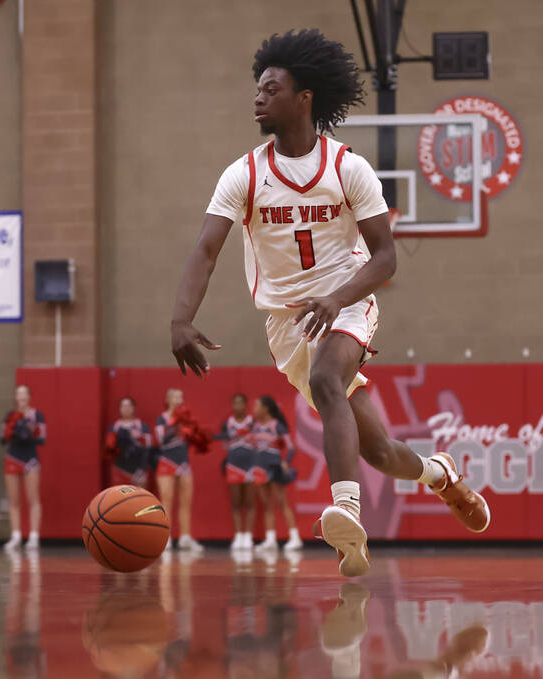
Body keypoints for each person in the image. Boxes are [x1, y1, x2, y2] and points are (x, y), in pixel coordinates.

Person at [169, 29, 490, 577]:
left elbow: (385, 258)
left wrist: (337, 297)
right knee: (380, 452)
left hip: (347, 300)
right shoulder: (242, 175)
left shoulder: (348, 168)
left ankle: (345, 513)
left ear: (304, 97)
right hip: (288, 323)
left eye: (271, 88)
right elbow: (205, 250)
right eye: (258, 88)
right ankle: (440, 474)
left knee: (325, 380)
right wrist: (180, 318)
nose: (258, 97)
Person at [250, 395, 303, 552]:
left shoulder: (277, 426)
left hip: (274, 467)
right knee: (266, 504)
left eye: (256, 405)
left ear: (265, 408)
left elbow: (291, 447)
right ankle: (270, 539)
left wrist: (285, 461)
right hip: (260, 468)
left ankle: (295, 537)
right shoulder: (255, 426)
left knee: (282, 502)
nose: (254, 409)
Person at [154, 388, 203, 553]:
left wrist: (197, 436)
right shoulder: (162, 419)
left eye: (180, 397)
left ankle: (185, 538)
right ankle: (164, 538)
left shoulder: (186, 418)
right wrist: (176, 423)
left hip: (183, 464)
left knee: (186, 502)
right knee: (166, 501)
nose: (178, 400)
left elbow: (193, 438)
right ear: (168, 399)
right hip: (167, 462)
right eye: (175, 397)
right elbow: (161, 439)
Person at [1, 385, 45, 551]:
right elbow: (3, 439)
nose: (21, 397)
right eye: (18, 394)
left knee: (32, 497)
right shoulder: (10, 415)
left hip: (30, 459)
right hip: (13, 457)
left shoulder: (37, 415)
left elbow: (42, 438)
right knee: (13, 499)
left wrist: (28, 434)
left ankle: (34, 536)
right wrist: (11, 432)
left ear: (29, 396)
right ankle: (16, 535)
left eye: (24, 394)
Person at [219, 393, 258, 552]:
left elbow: (259, 442)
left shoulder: (253, 422)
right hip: (234, 465)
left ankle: (248, 536)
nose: (238, 406)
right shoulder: (228, 424)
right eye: (235, 403)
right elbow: (224, 445)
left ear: (246, 405)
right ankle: (238, 536)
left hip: (250, 465)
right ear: (232, 406)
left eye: (241, 403)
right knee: (236, 503)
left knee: (249, 502)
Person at [104, 397, 152, 487]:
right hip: (120, 469)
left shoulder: (141, 426)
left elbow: (148, 446)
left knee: (140, 499)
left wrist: (139, 438)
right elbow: (109, 450)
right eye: (123, 406)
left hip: (139, 471)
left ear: (134, 408)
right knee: (120, 498)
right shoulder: (115, 427)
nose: (126, 409)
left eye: (128, 406)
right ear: (120, 409)